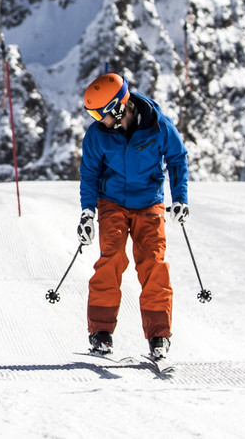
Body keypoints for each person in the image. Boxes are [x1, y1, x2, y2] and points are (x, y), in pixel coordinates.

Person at [77, 72, 189, 361]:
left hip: (149, 203)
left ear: (117, 108)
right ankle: (101, 333)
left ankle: (158, 336)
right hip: (112, 202)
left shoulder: (159, 126)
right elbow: (89, 174)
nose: (95, 119)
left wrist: (180, 199)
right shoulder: (97, 135)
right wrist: (88, 212)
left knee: (153, 263)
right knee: (111, 260)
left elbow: (176, 158)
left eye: (98, 113)